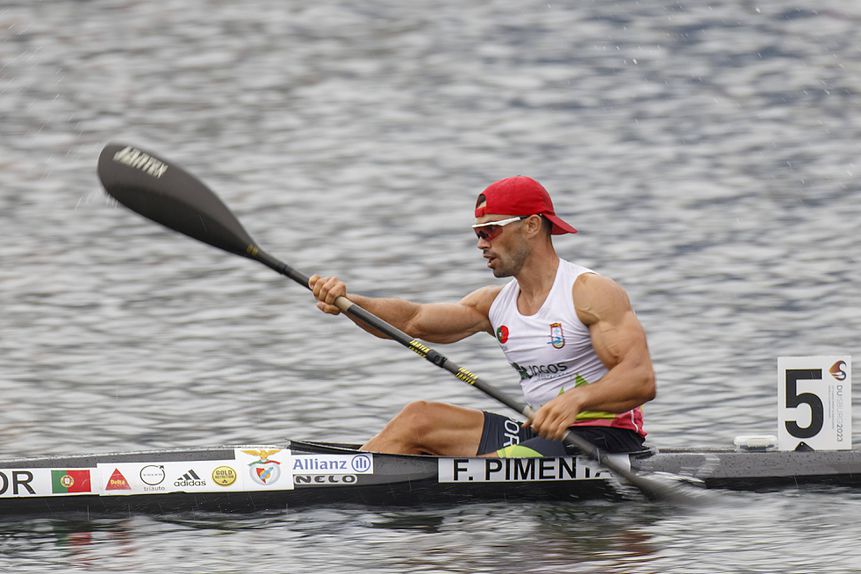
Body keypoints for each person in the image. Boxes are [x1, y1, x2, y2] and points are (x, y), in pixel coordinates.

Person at [309, 176, 656, 458]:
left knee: (485, 473)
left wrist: (577, 400)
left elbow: (640, 380)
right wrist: (347, 302)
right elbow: (412, 320)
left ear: (533, 226)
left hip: (601, 439)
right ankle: (342, 474)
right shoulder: (494, 305)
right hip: (539, 434)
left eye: (490, 231)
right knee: (419, 419)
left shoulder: (589, 292)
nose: (480, 244)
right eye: (477, 234)